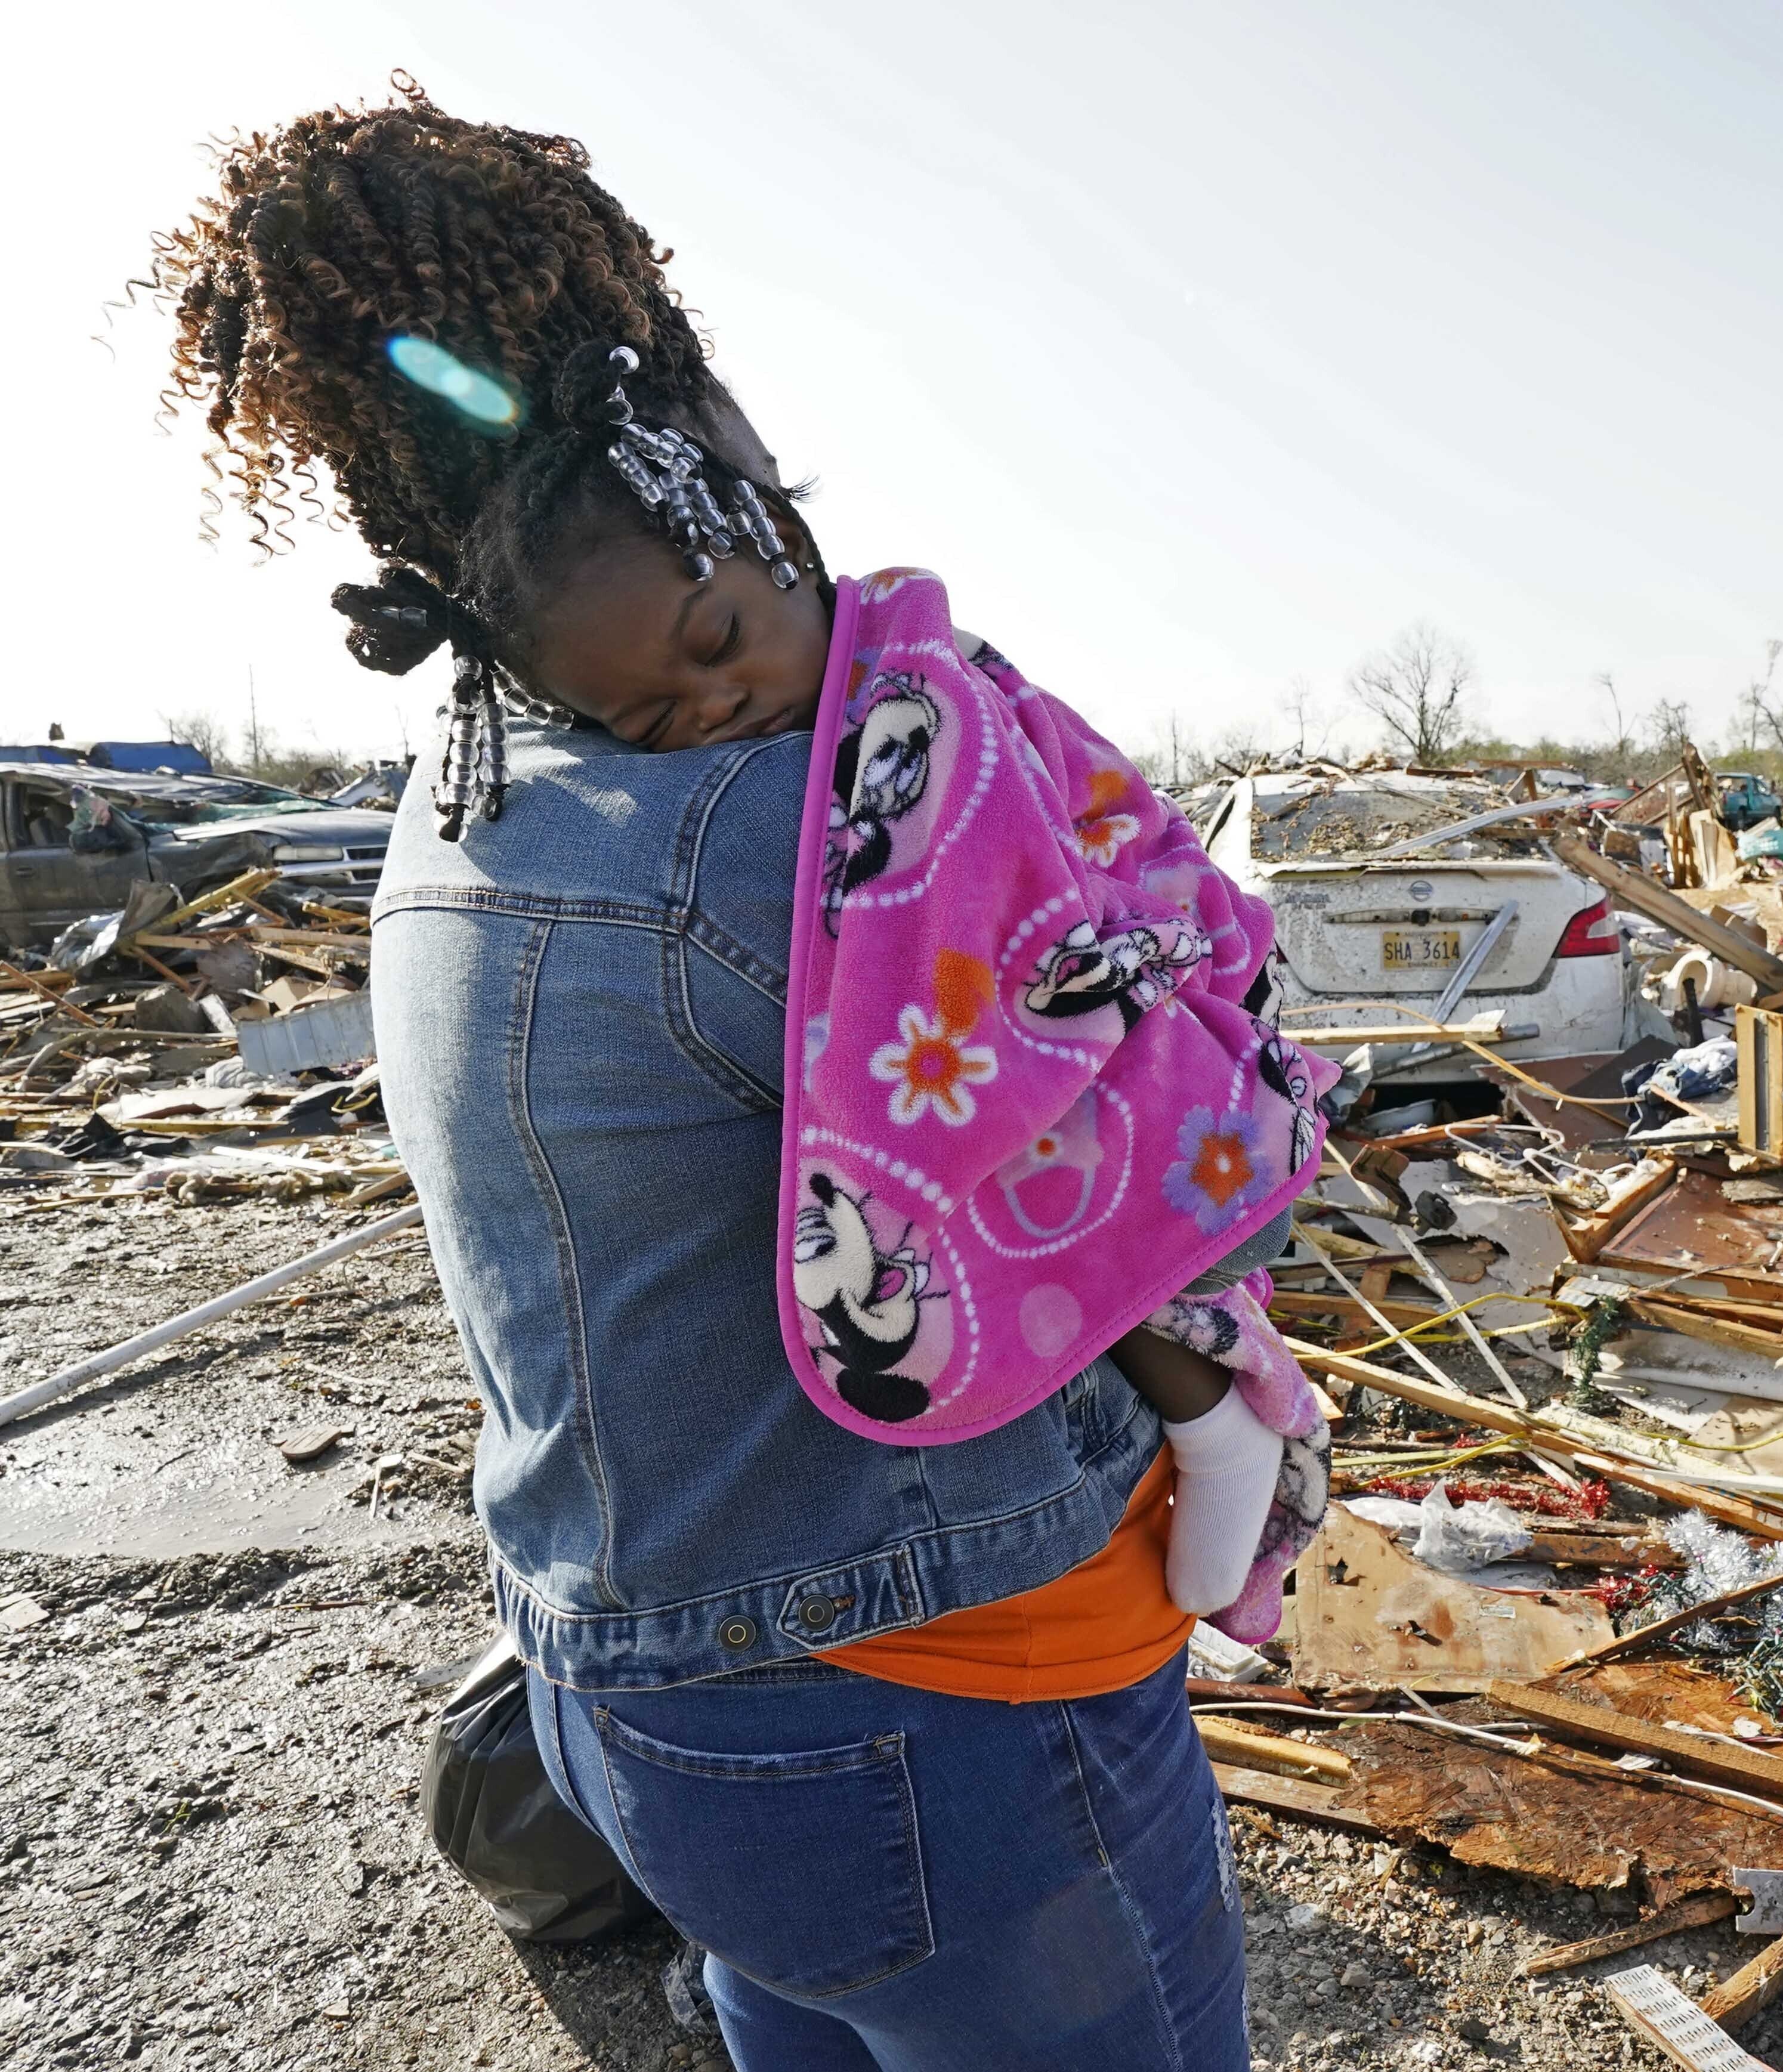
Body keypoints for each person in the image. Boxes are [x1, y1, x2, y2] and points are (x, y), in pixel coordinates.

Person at [153, 85, 1263, 2069]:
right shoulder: (806, 819)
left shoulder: (472, 791)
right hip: (945, 1689)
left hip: (650, 1696)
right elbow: (1103, 1139)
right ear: (685, 426)